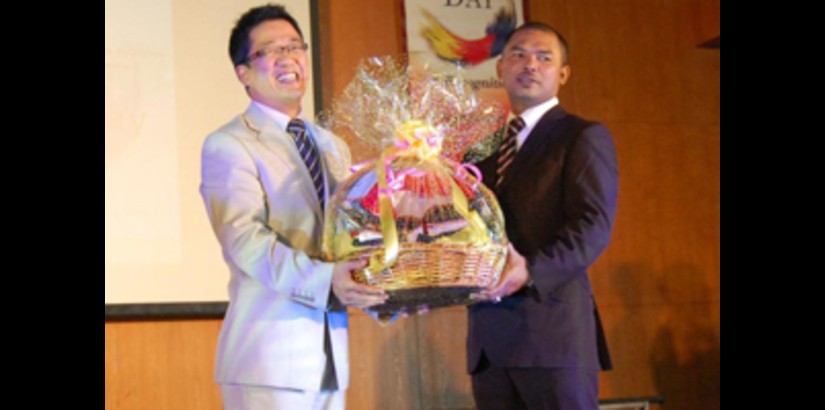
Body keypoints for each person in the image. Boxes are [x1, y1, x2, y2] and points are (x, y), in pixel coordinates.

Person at [199, 4, 387, 409]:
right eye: (270, 50)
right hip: (269, 360)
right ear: (244, 73)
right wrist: (327, 280)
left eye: (294, 46)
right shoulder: (229, 144)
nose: (288, 58)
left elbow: (347, 236)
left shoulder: (331, 145)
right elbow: (246, 242)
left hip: (330, 359)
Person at [466, 22, 618, 410]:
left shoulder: (581, 136)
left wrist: (530, 270)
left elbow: (592, 226)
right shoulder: (479, 150)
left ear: (562, 74)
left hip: (553, 338)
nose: (529, 64)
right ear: (500, 68)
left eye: (544, 57)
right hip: (489, 344)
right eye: (518, 54)